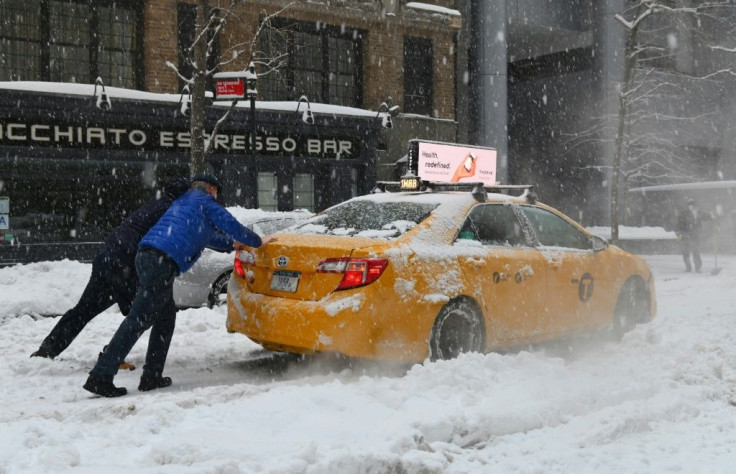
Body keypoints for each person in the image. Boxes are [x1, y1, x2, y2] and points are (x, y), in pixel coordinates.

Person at [83, 174, 275, 397]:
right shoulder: (205, 202)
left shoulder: (184, 204)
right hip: (161, 261)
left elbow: (208, 238)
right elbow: (231, 224)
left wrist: (233, 245)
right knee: (137, 320)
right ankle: (101, 376)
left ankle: (152, 376)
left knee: (165, 318)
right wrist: (258, 241)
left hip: (147, 256)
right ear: (212, 189)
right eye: (216, 193)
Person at [31, 178, 190, 364]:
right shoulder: (171, 211)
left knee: (84, 310)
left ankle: (47, 349)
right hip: (126, 264)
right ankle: (111, 358)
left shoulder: (157, 203)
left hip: (107, 257)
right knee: (144, 313)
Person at [675, 198, 709, 272]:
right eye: (690, 205)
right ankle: (688, 267)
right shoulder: (683, 214)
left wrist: (712, 216)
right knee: (686, 252)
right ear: (687, 206)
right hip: (685, 235)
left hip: (695, 235)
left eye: (693, 205)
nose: (691, 206)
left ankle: (698, 267)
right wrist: (679, 235)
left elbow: (705, 216)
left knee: (695, 252)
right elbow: (679, 225)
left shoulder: (697, 213)